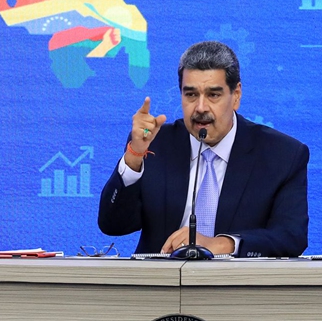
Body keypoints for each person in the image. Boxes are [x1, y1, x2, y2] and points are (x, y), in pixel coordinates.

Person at [98, 41, 309, 257]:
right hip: (161, 276)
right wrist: (134, 157)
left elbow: (291, 236)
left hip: (238, 277)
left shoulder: (282, 155)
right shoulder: (155, 144)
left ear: (236, 95)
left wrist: (223, 244)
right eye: (191, 95)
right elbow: (113, 225)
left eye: (213, 95)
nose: (200, 108)